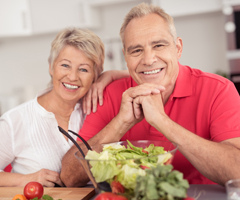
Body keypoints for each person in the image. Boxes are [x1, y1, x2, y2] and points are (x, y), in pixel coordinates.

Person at [60, 3, 240, 187]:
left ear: (177, 48)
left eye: (159, 45)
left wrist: (162, 122)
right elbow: (69, 177)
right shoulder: (109, 94)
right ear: (126, 57)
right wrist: (122, 122)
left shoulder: (219, 90)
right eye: (136, 50)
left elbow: (237, 173)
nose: (148, 59)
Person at [0, 27, 129, 187]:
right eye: (65, 65)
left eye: (83, 69)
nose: (73, 77)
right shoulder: (15, 121)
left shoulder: (99, 107)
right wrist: (25, 180)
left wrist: (110, 75)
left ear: (95, 75)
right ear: (51, 67)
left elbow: (146, 74)